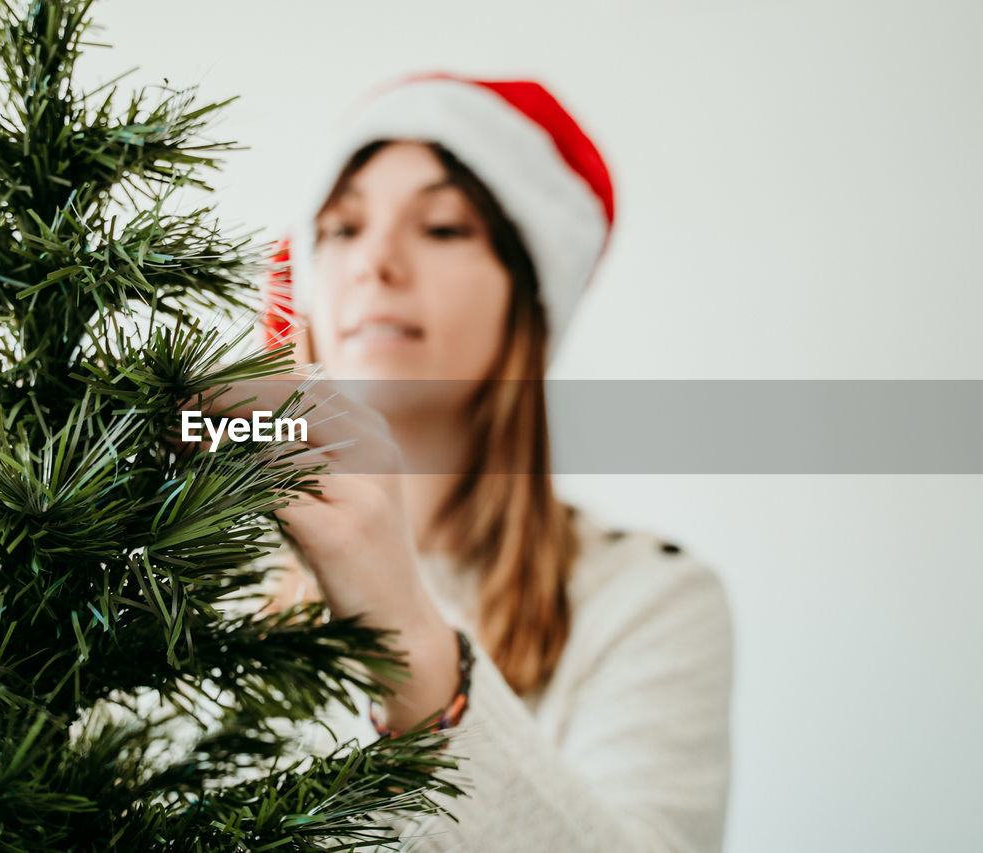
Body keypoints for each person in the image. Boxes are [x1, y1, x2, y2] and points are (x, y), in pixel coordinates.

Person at [210, 72, 734, 852]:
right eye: (343, 228)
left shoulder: (647, 603)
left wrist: (410, 638)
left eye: (444, 227)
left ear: (528, 302)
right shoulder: (206, 585)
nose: (374, 262)